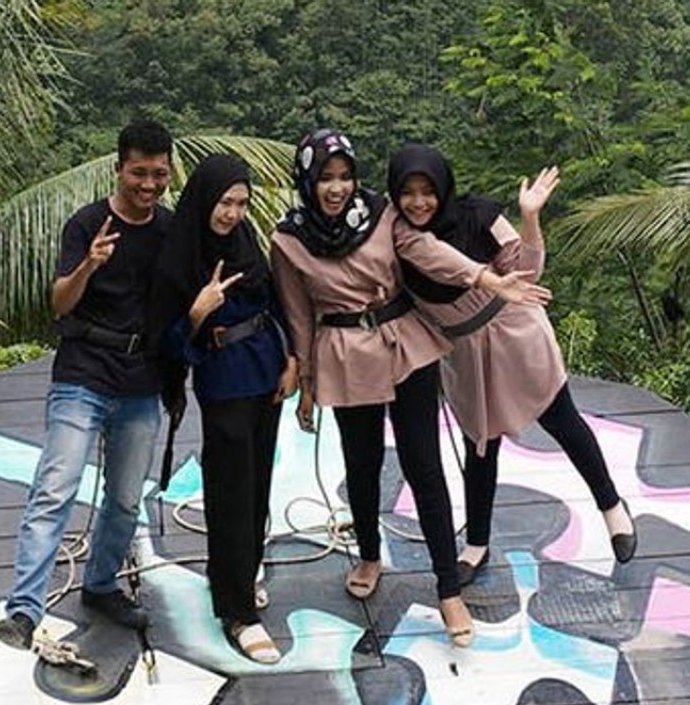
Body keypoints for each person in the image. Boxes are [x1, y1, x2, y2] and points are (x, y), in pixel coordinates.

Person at [270, 129, 551, 647]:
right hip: (345, 353)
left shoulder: (380, 214)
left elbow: (427, 250)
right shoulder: (289, 239)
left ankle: (448, 588)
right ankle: (369, 555)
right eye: (326, 178)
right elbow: (298, 313)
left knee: (424, 465)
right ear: (308, 181)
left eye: (345, 176)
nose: (337, 188)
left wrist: (485, 278)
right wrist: (306, 381)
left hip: (404, 344)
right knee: (361, 464)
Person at [386, 142, 637, 588]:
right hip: (465, 352)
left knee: (562, 420)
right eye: (408, 192)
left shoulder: (478, 216)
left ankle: (612, 506)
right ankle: (477, 543)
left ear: (443, 188)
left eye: (428, 191)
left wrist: (530, 217)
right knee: (481, 443)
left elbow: (529, 271)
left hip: (514, 330)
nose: (419, 202)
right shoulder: (399, 240)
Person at [0, 119, 174, 649]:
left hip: (141, 379)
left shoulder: (170, 229)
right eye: (138, 173)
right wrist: (89, 265)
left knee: (125, 499)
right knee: (55, 489)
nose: (148, 184)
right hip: (84, 372)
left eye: (158, 174)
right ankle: (24, 609)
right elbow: (60, 302)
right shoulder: (87, 224)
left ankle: (100, 585)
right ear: (119, 168)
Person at [149, 154, 297, 664]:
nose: (232, 213)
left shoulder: (244, 241)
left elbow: (274, 299)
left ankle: (240, 574)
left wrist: (292, 359)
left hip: (266, 368)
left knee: (257, 484)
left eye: (241, 203)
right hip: (223, 377)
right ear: (204, 200)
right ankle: (238, 613)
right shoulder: (180, 257)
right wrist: (196, 312)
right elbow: (164, 341)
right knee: (231, 489)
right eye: (224, 202)